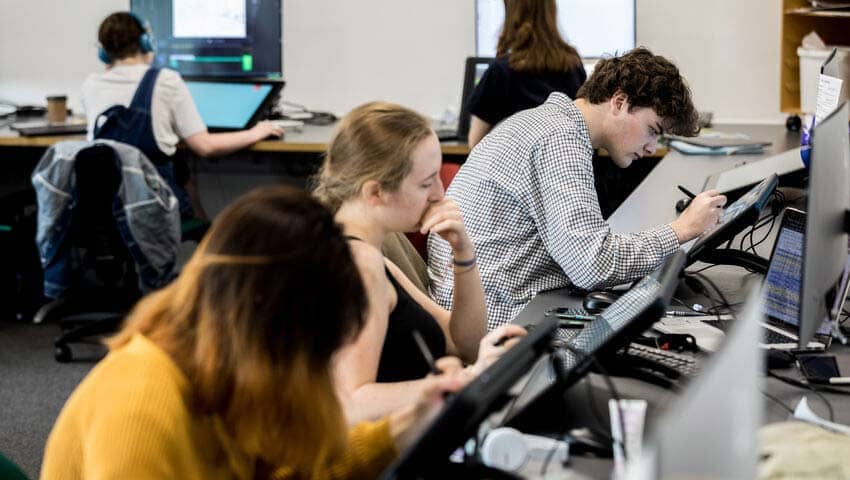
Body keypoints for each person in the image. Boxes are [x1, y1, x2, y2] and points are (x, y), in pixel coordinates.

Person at [41, 185, 467, 479]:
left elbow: (277, 470)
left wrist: (405, 426)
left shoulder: (221, 370)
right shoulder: (141, 407)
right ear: (271, 324)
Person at [428, 47, 727, 330]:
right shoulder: (560, 140)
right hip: (497, 320)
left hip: (487, 300)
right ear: (619, 102)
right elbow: (592, 265)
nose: (651, 147)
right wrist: (681, 230)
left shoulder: (546, 122)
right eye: (652, 131)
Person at [313, 101, 526, 423]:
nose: (440, 193)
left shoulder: (370, 255)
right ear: (375, 193)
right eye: (426, 183)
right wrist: (465, 380)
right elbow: (352, 403)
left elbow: (465, 344)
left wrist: (463, 253)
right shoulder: (359, 265)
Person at [82, 12, 283, 220]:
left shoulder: (90, 85)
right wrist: (257, 132)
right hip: (155, 210)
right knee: (182, 175)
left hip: (107, 210)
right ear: (146, 43)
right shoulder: (165, 80)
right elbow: (206, 147)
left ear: (104, 53)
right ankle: (203, 232)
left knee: (183, 171)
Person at [466, 0, 587, 148]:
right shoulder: (573, 66)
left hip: (513, 161)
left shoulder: (501, 71)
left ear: (512, 14)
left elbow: (475, 142)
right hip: (564, 160)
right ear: (551, 12)